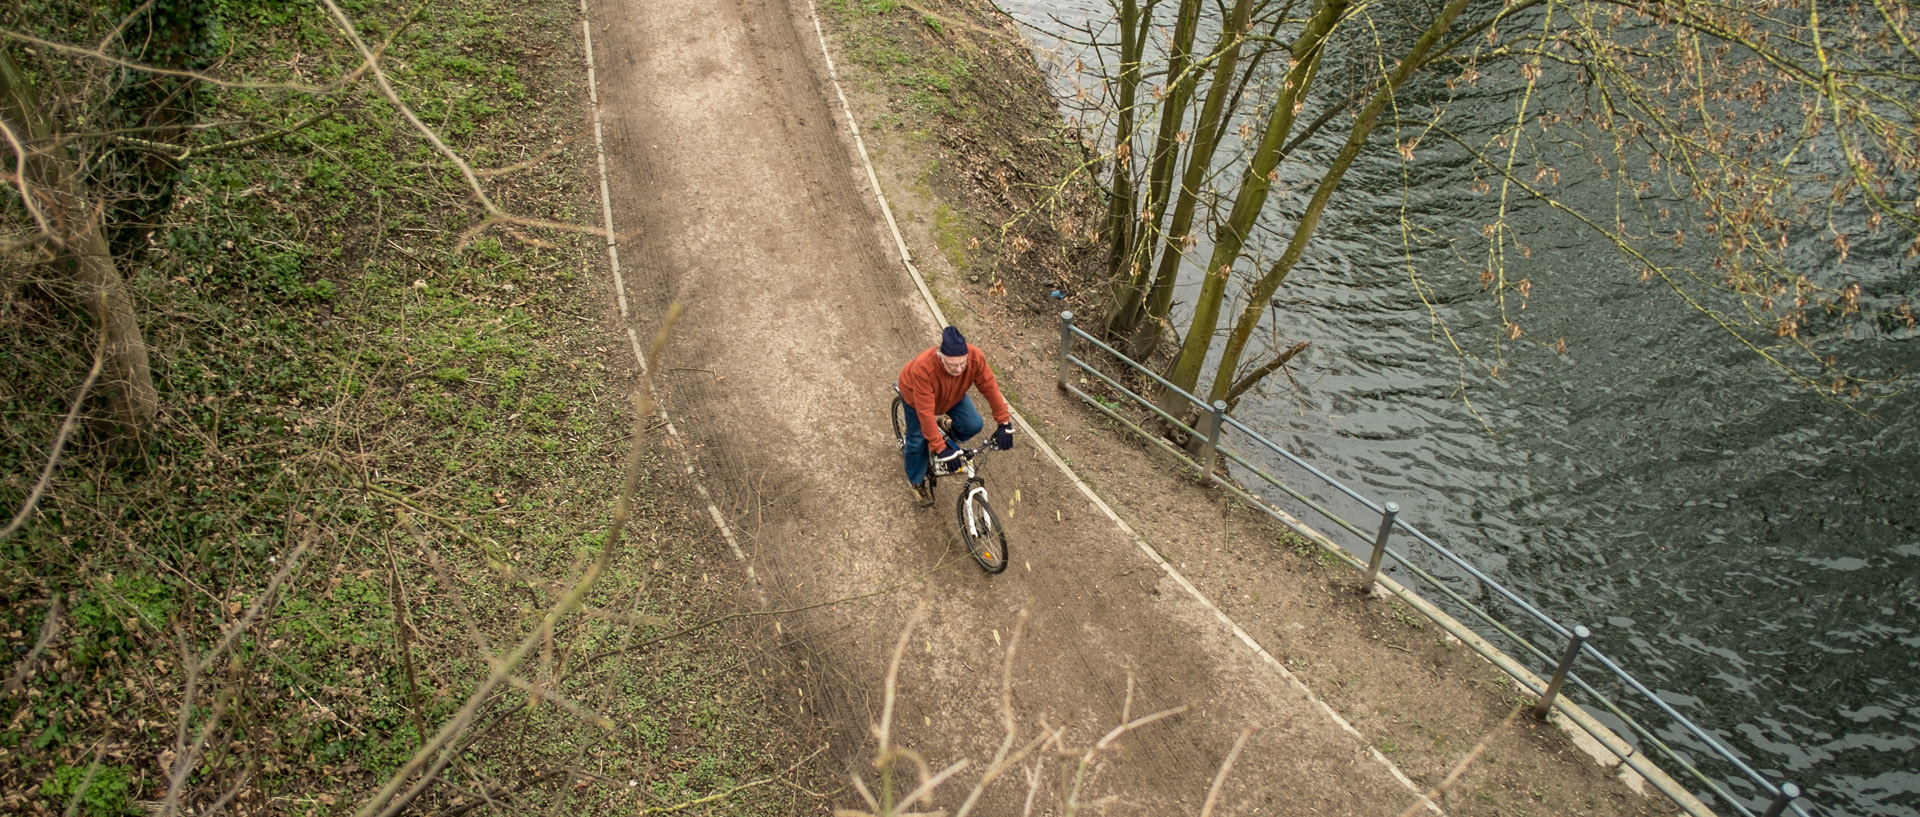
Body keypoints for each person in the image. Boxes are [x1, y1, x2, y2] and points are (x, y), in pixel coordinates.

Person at [897, 326, 1015, 507]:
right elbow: (926, 413)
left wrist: (1004, 422)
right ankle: (916, 481)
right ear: (940, 357)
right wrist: (940, 448)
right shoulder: (923, 368)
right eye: (952, 365)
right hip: (916, 399)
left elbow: (990, 388)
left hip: (953, 396)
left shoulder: (975, 357)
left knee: (973, 424)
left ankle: (945, 429)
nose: (959, 369)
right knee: (917, 440)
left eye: (962, 363)